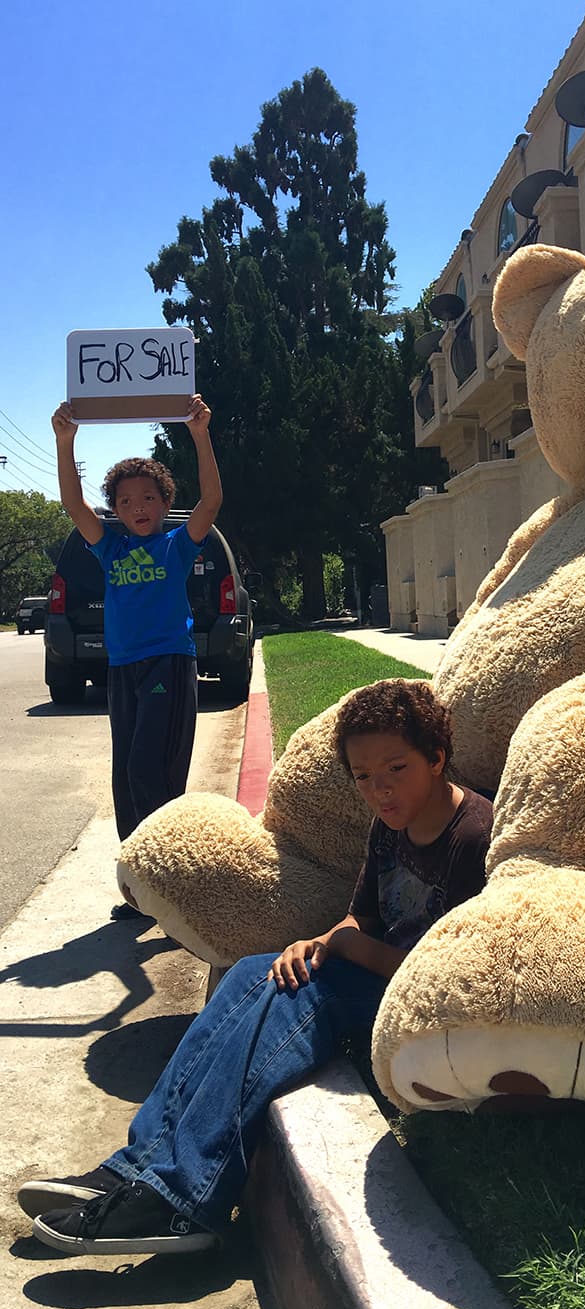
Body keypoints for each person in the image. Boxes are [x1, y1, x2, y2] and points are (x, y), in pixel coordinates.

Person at [17, 679, 493, 1256]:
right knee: (254, 973)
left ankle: (182, 1200)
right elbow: (359, 921)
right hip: (375, 979)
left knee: (308, 994)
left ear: (437, 758)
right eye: (363, 777)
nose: (379, 790)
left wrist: (343, 952)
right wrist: (318, 941)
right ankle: (135, 1166)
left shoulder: (472, 839)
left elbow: (450, 979)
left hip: (423, 1012)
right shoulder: (389, 829)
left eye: (395, 769)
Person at [51, 395, 223, 871]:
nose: (138, 507)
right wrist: (66, 441)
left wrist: (199, 433)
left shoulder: (178, 544)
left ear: (166, 502)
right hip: (123, 668)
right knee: (124, 775)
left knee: (152, 768)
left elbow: (211, 501)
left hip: (168, 662)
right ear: (116, 511)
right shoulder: (110, 548)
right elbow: (72, 503)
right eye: (125, 501)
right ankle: (139, 874)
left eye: (148, 497)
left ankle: (169, 871)